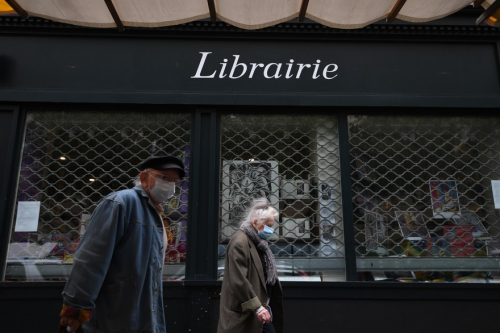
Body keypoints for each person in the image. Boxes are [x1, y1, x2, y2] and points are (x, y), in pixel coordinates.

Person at [59, 155, 185, 333]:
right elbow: (91, 259)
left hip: (143, 314)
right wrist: (75, 308)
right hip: (114, 316)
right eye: (164, 178)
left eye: (174, 181)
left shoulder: (155, 212)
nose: (170, 185)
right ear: (143, 178)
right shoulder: (121, 203)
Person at [217, 197, 284, 333]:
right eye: (269, 226)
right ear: (255, 222)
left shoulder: (259, 242)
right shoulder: (240, 242)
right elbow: (238, 280)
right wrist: (258, 307)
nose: (271, 230)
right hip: (247, 313)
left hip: (261, 310)